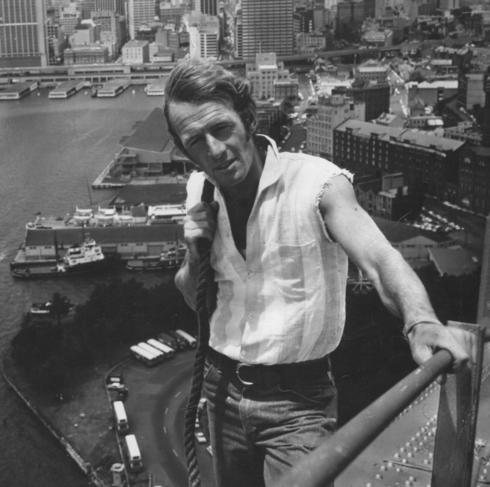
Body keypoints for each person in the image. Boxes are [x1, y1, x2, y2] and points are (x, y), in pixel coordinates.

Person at [164, 59, 472, 487]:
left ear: (248, 120)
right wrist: (193, 252)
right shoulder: (199, 191)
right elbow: (192, 296)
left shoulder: (318, 184)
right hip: (221, 392)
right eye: (196, 140)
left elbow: (380, 261)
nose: (214, 149)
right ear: (184, 149)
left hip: (297, 402)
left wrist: (419, 321)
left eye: (221, 128)